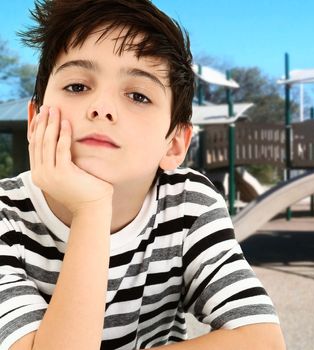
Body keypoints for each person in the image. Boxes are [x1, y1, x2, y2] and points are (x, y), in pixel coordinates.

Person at [1, 1, 285, 349]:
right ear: (35, 119)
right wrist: (91, 209)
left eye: (138, 95)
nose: (101, 107)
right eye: (77, 86)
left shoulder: (186, 206)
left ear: (174, 144)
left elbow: (263, 340)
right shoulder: (6, 217)